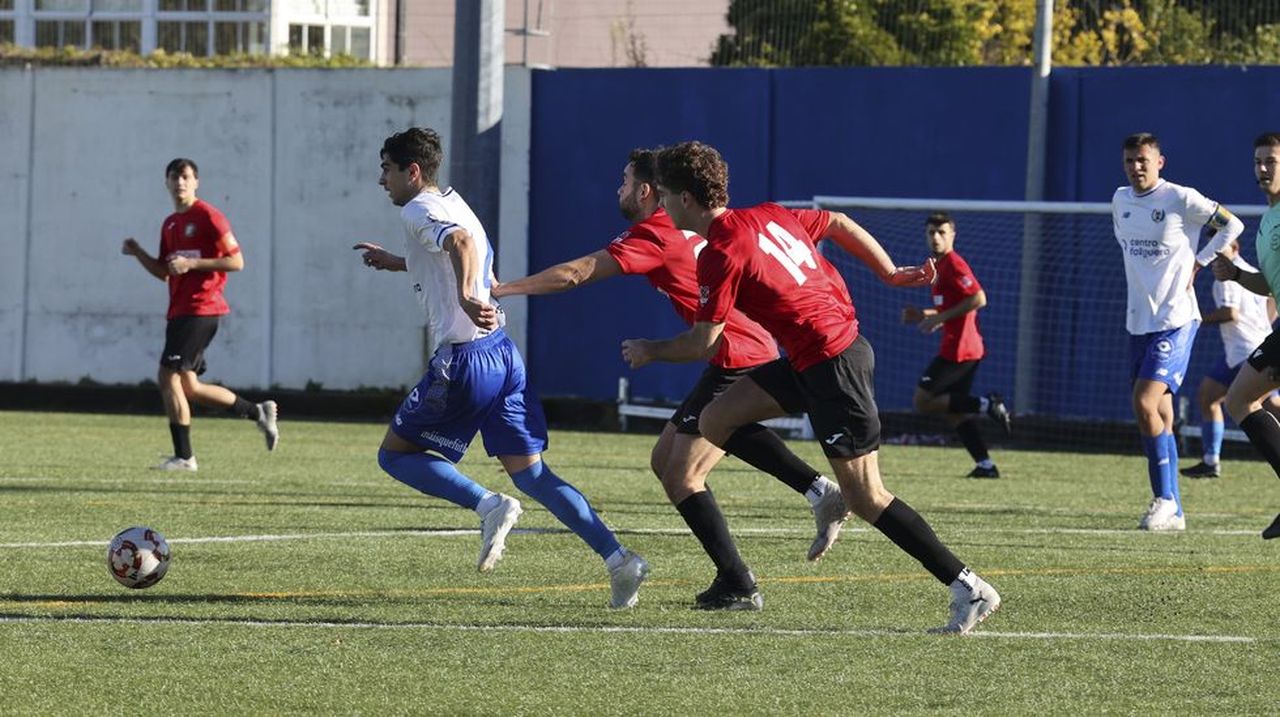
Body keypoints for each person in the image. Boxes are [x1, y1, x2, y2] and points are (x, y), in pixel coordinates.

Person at [622, 141, 1001, 633]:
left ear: (686, 199)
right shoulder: (768, 213)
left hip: (834, 366)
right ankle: (821, 493)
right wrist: (888, 273)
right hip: (811, 359)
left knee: (868, 497)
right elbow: (837, 222)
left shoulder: (720, 252)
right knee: (715, 420)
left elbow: (702, 342)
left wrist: (650, 349)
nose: (663, 206)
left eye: (666, 195)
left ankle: (968, 586)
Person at [492, 149, 849, 585]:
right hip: (738, 349)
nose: (618, 189)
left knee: (683, 472)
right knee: (666, 460)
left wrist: (504, 289)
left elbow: (577, 272)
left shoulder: (655, 233)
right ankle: (816, 495)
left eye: (624, 181)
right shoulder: (685, 223)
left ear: (645, 191)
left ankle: (739, 580)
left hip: (738, 353)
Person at [353, 127, 649, 607]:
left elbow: (461, 245)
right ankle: (619, 560)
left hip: (465, 360)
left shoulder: (417, 209)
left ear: (413, 171)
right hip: (503, 355)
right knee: (532, 474)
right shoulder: (453, 201)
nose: (381, 179)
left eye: (386, 169)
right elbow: (454, 248)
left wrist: (467, 297)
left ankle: (488, 505)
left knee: (395, 456)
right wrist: (400, 261)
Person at [1112, 132, 1243, 531]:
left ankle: (1164, 499)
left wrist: (1199, 262)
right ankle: (1177, 513)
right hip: (1139, 322)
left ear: (1160, 162)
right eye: (1130, 160)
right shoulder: (1120, 200)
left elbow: (1232, 225)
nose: (1136, 167)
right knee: (1162, 414)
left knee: (1144, 403)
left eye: (1143, 160)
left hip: (1177, 319)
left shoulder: (1181, 198)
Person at [121, 158, 279, 472]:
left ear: (196, 182)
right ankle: (257, 412)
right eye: (174, 177)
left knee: (166, 376)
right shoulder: (170, 224)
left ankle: (184, 457)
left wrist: (192, 264)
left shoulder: (209, 216)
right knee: (189, 387)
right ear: (166, 182)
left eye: (185, 176)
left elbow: (236, 262)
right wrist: (138, 252)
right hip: (180, 311)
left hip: (201, 308)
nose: (179, 182)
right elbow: (165, 272)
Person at [901, 212, 1011, 479]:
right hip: (957, 347)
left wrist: (939, 318)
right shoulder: (938, 267)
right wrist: (925, 315)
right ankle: (986, 466)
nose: (936, 238)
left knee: (923, 401)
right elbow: (951, 308)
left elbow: (978, 298)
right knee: (955, 413)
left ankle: (988, 405)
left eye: (942, 233)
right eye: (931, 233)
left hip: (961, 350)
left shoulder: (954, 264)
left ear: (953, 235)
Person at [1214, 131, 1280, 540]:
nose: (1263, 168)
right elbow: (1271, 286)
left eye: (1271, 161)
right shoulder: (1267, 221)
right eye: (1258, 161)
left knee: (1239, 399)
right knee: (1238, 399)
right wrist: (1236, 274)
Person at [1182, 239, 1279, 479]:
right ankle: (1210, 460)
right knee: (1209, 395)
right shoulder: (1253, 271)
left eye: (1222, 243)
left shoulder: (1226, 276)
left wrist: (1196, 319)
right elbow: (1272, 299)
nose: (1215, 249)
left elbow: (1230, 313)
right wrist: (1264, 325)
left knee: (1261, 403)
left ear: (1235, 248)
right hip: (1247, 347)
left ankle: (1211, 459)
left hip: (1245, 348)